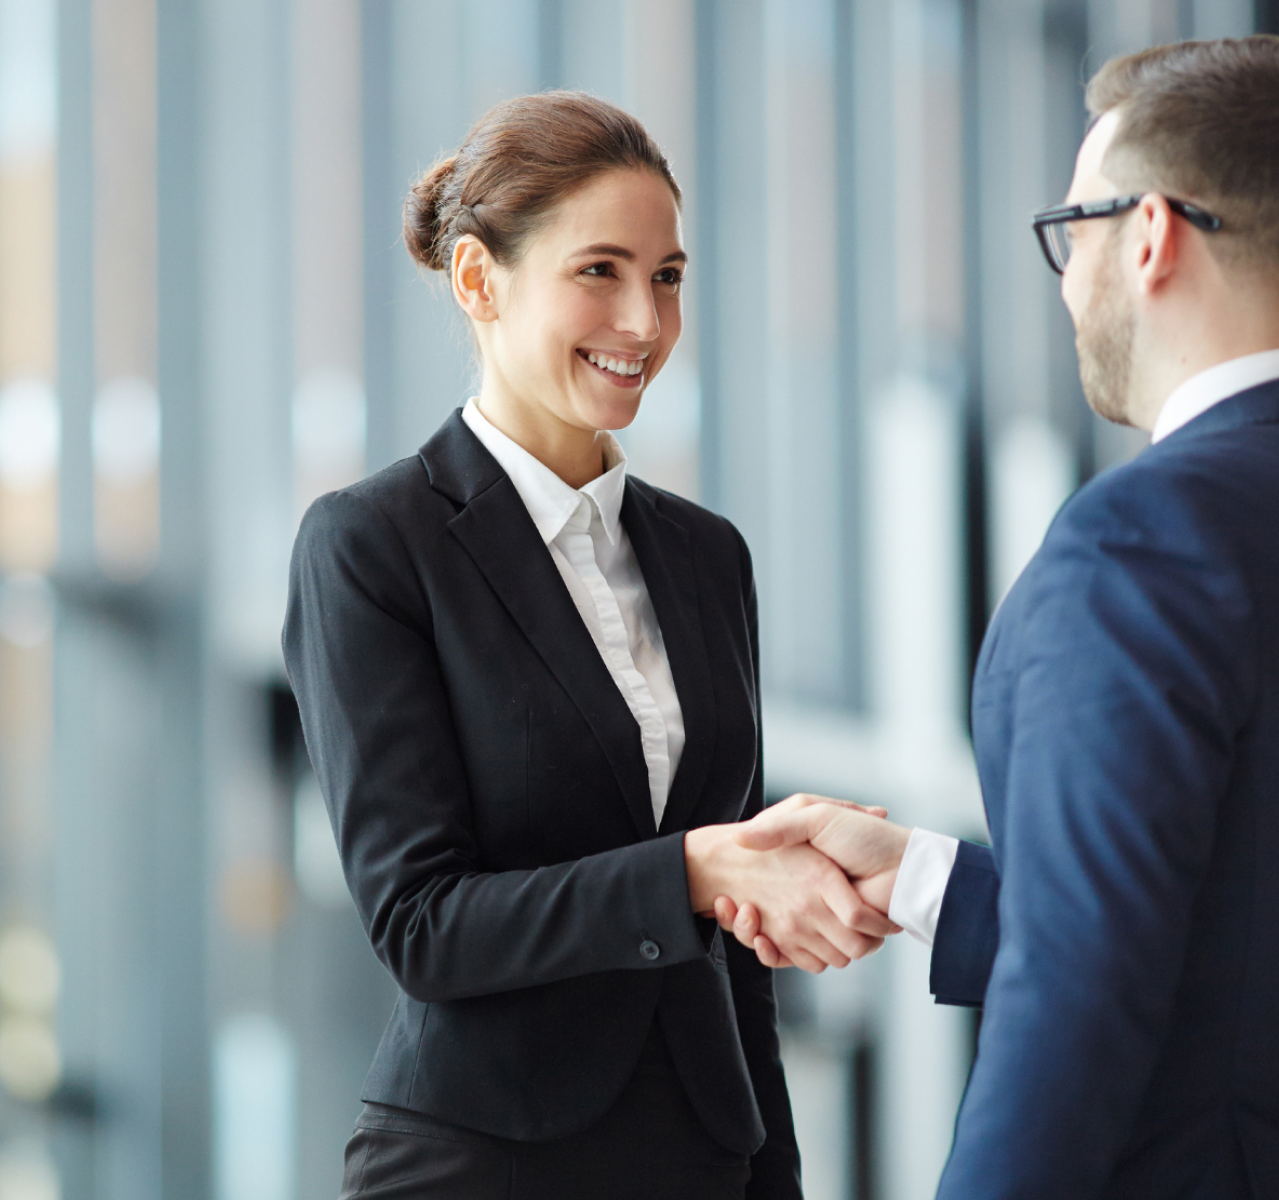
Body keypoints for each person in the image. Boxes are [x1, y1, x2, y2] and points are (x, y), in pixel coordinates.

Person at [715, 35, 1279, 1200]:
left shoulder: (1140, 544)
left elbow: (1076, 1019)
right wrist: (919, 880)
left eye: (1072, 233)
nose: (1063, 277)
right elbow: (1247, 958)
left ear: (1147, 233)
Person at [282, 91, 896, 1200]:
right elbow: (421, 926)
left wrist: (773, 1173)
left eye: (665, 277)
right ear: (477, 279)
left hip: (705, 1154)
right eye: (598, 271)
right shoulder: (374, 546)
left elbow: (736, 956)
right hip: (480, 1163)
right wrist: (693, 868)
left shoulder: (707, 557)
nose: (644, 324)